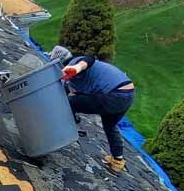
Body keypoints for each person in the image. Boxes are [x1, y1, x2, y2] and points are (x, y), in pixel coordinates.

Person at [49, 45, 135, 174]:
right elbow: (66, 89)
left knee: (70, 103)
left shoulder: (74, 64)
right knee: (110, 125)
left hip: (114, 94)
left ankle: (64, 133)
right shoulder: (73, 77)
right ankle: (117, 161)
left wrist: (76, 68)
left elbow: (89, 60)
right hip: (127, 94)